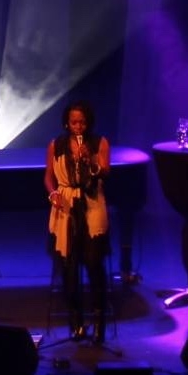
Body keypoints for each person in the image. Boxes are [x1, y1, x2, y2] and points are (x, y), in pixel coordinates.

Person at [45, 99, 111, 343]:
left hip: (91, 203)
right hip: (66, 205)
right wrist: (53, 193)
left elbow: (106, 172)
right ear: (67, 123)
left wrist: (91, 159)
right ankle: (76, 321)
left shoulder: (100, 142)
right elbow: (48, 177)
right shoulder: (56, 145)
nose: (78, 126)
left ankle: (99, 320)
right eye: (74, 122)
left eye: (82, 122)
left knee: (93, 262)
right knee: (69, 266)